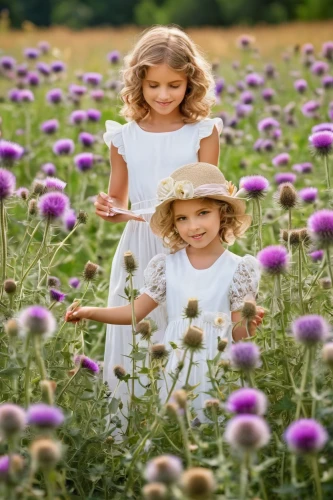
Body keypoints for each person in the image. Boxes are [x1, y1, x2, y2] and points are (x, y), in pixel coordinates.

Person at [67, 162, 264, 417]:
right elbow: (133, 313)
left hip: (221, 371)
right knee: (176, 431)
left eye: (202, 213)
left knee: (217, 433)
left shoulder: (239, 268)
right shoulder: (167, 266)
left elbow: (240, 335)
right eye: (182, 218)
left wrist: (251, 322)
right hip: (177, 373)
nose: (193, 226)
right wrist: (90, 312)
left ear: (222, 214)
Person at [95, 26, 223, 401]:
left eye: (174, 85)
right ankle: (134, 427)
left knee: (187, 332)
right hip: (138, 247)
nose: (163, 94)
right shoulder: (123, 137)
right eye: (153, 85)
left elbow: (210, 198)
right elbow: (119, 205)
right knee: (137, 333)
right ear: (138, 83)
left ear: (190, 83)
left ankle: (186, 421)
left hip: (188, 246)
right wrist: (108, 208)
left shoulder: (203, 132)